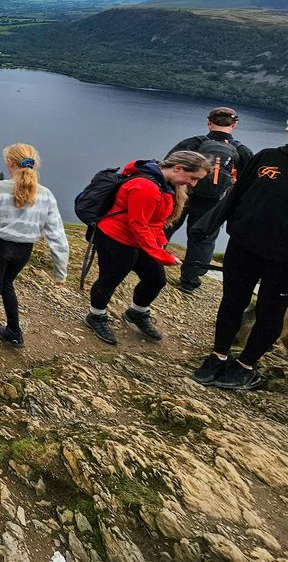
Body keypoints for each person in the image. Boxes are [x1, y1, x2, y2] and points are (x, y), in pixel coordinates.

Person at [83, 150, 209, 346]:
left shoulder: (164, 184)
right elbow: (138, 225)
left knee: (156, 280)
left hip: (137, 238)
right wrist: (162, 255)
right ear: (178, 168)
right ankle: (96, 316)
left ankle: (137, 312)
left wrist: (160, 246)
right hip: (116, 238)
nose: (193, 184)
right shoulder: (145, 186)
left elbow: (155, 222)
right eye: (193, 178)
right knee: (110, 280)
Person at [191, 143, 288, 390]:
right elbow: (237, 192)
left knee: (271, 313)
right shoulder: (268, 157)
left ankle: (246, 365)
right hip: (243, 245)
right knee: (232, 301)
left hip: (284, 261)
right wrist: (207, 224)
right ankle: (219, 355)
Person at [0, 143, 69, 352]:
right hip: (23, 250)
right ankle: (14, 332)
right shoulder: (45, 195)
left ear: (9, 163)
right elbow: (56, 234)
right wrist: (60, 271)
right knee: (7, 283)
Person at [165, 107, 252, 294]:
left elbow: (167, 166)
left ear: (209, 123)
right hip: (214, 204)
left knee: (166, 227)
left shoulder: (193, 143)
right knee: (203, 240)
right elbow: (249, 182)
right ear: (234, 124)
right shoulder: (242, 151)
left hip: (183, 196)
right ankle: (189, 282)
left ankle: (149, 262)